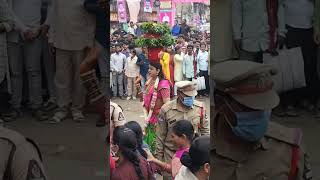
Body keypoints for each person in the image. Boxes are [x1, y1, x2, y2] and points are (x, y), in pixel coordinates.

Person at [211, 60, 312, 180]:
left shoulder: (290, 150)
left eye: (265, 107)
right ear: (220, 102)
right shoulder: (201, 148)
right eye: (249, 107)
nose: (260, 115)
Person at [45, 0, 96, 123]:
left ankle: (77, 109)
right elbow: (53, 18)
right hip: (61, 41)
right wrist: (51, 38)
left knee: (79, 78)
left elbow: (90, 21)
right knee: (61, 77)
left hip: (80, 42)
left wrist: (89, 42)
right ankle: (62, 109)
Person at [155, 81, 210, 180]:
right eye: (188, 96)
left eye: (193, 96)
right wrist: (159, 160)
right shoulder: (166, 110)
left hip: (192, 159)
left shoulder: (200, 108)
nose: (191, 99)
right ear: (179, 94)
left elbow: (205, 133)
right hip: (170, 157)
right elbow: (160, 136)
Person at [4, 0, 48, 122]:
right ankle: (15, 107)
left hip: (34, 32)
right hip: (14, 33)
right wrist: (23, 29)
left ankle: (36, 106)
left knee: (34, 71)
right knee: (15, 73)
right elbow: (7, 10)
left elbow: (51, 5)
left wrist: (42, 26)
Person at [278, 0, 319, 117]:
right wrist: (281, 31)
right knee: (291, 66)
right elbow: (281, 6)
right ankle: (289, 102)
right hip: (290, 28)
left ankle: (304, 99)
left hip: (310, 29)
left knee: (308, 65)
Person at [135, 62, 171, 153]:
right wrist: (138, 88)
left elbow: (168, 105)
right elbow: (142, 100)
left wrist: (160, 116)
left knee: (157, 145)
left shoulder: (163, 84)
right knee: (149, 144)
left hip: (158, 120)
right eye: (149, 68)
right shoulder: (149, 81)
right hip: (149, 118)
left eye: (151, 69)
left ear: (158, 71)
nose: (149, 70)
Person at [84, 0, 109, 95]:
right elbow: (87, 5)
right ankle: (103, 102)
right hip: (101, 40)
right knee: (104, 75)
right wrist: (101, 5)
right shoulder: (98, 6)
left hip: (105, 39)